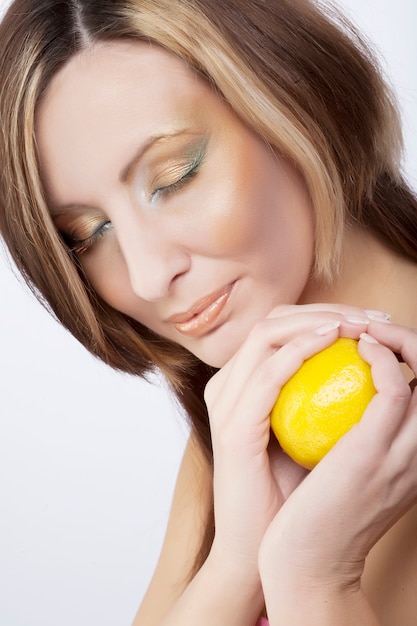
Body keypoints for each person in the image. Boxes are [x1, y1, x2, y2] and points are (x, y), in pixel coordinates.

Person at [0, 0, 416, 624]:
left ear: (297, 101)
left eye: (174, 177)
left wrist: (315, 581)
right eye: (86, 235)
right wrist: (239, 563)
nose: (145, 275)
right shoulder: (243, 418)